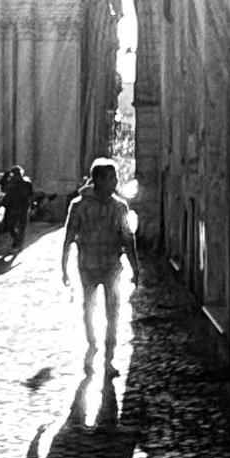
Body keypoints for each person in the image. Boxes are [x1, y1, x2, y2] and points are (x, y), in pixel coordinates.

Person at [60, 158, 140, 372]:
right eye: (111, 178)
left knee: (113, 313)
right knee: (89, 308)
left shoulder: (120, 207)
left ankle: (109, 358)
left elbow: (127, 238)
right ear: (98, 180)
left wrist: (135, 267)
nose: (115, 182)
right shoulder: (79, 206)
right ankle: (92, 343)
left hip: (112, 267)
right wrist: (64, 267)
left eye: (115, 177)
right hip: (87, 267)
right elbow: (69, 236)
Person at [0, 165, 33, 247]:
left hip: (21, 206)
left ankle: (18, 241)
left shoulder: (26, 183)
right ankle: (18, 239)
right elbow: (3, 188)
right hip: (14, 207)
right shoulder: (11, 183)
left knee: (19, 225)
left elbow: (30, 194)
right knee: (13, 226)